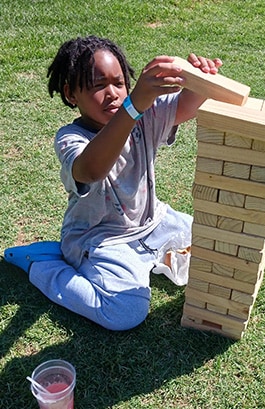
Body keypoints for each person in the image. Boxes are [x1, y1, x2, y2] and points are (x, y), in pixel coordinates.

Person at [4, 35, 222, 331]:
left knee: (217, 239)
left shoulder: (145, 116)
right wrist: (132, 107)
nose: (112, 94)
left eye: (119, 84)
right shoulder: (71, 138)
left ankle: (149, 257)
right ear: (71, 94)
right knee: (125, 312)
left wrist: (201, 80)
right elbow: (91, 169)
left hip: (152, 224)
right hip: (100, 240)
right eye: (97, 85)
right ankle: (40, 263)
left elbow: (186, 105)